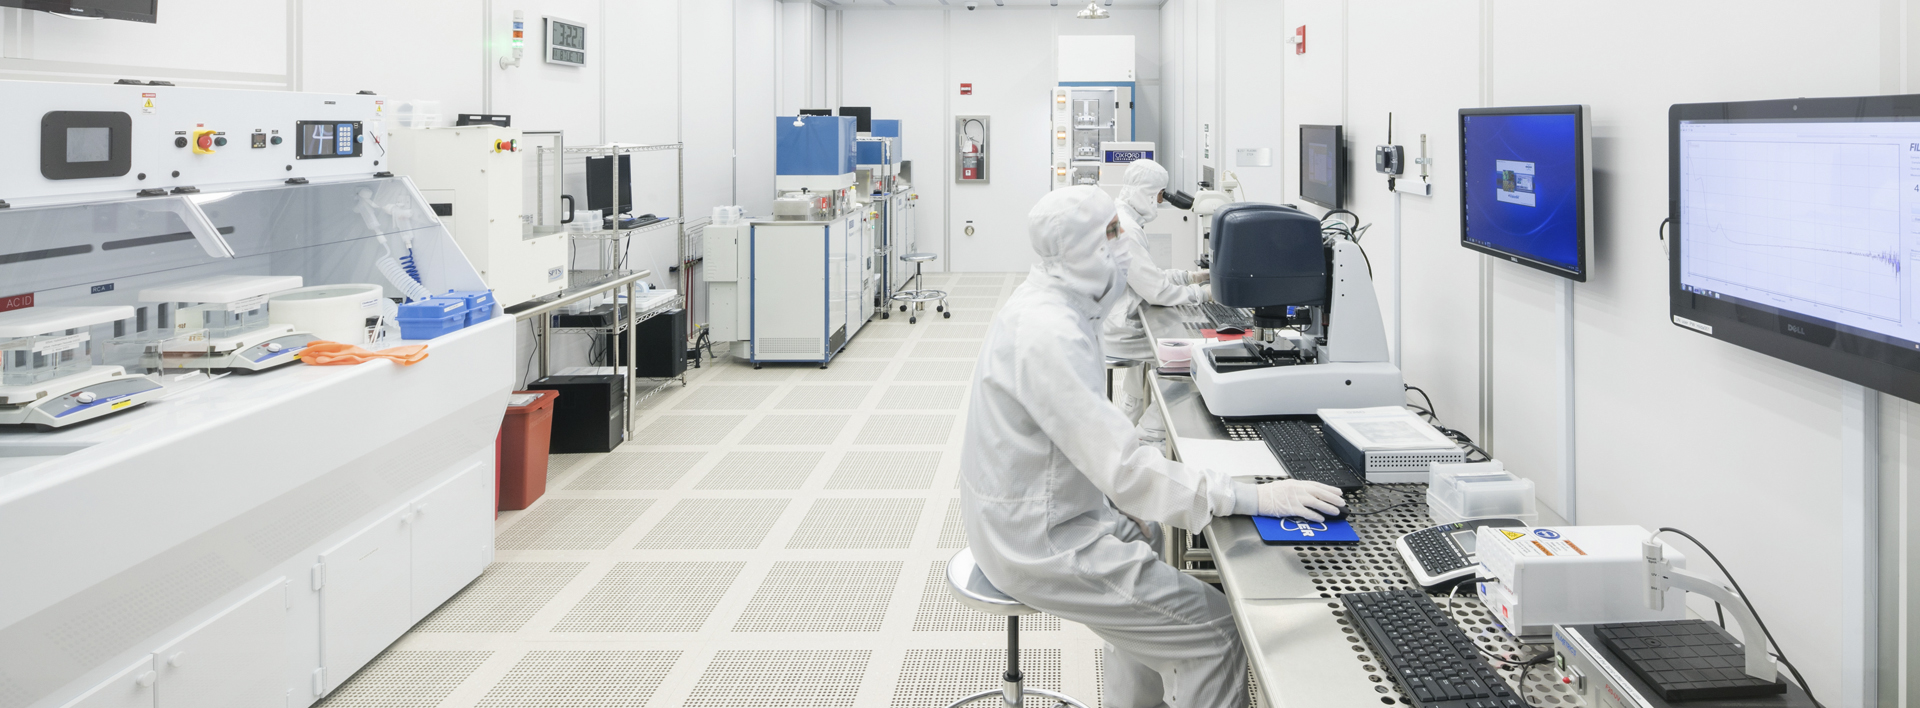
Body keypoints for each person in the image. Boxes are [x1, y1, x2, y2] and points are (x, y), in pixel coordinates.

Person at [960, 186, 1347, 708]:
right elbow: (1125, 470)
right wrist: (1255, 497)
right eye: (1112, 239)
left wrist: (1134, 508)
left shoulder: (1054, 304)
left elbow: (1095, 459)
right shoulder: (1049, 333)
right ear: (1083, 251)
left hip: (1039, 512)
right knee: (1213, 630)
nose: (1123, 254)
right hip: (1039, 541)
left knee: (1144, 548)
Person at [1102, 159, 1209, 434]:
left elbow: (1145, 276)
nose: (1162, 201)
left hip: (1113, 317)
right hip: (1122, 329)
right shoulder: (1126, 230)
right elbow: (1157, 291)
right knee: (1192, 358)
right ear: (1148, 193)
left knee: (1152, 365)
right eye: (1160, 194)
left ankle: (1129, 416)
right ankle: (1148, 435)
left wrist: (1190, 277)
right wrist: (1204, 294)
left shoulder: (1118, 218)